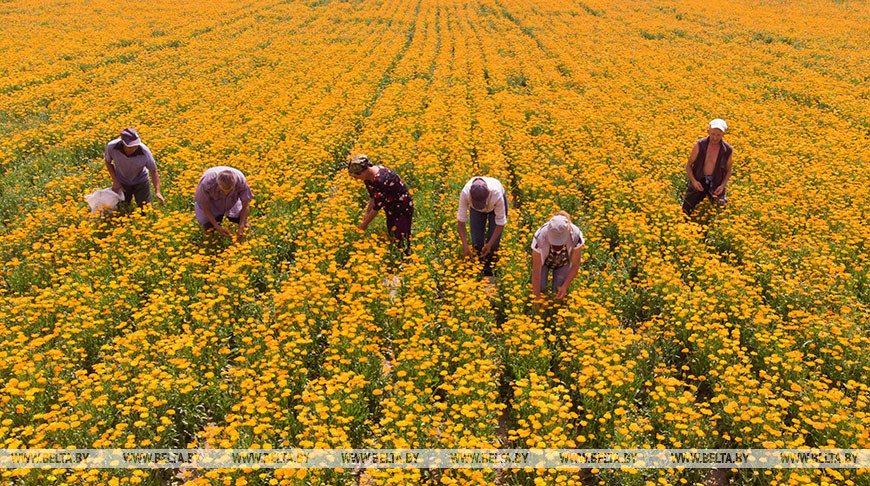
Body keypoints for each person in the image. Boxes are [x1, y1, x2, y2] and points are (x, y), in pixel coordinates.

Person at [348, 154, 414, 255]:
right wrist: (366, 214)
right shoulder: (368, 178)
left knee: (402, 237)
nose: (356, 179)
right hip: (391, 208)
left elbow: (377, 207)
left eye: (357, 176)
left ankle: (407, 260)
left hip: (403, 208)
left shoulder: (380, 180)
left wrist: (364, 224)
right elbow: (373, 197)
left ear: (364, 170)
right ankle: (399, 258)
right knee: (393, 235)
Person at [456, 176, 508, 277]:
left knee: (494, 243)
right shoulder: (465, 193)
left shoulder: (496, 194)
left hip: (494, 206)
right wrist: (465, 246)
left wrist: (489, 244)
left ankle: (490, 268)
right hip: (476, 211)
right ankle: (478, 267)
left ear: (488, 194)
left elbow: (500, 224)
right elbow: (461, 223)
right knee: (476, 241)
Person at [682, 118, 734, 215]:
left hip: (716, 182)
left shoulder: (727, 150)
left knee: (720, 212)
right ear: (708, 131)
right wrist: (694, 182)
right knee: (686, 210)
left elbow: (729, 170)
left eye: (718, 135)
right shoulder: (699, 145)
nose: (715, 137)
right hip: (699, 180)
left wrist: (722, 186)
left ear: (723, 134)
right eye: (713, 134)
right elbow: (689, 165)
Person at [104, 127, 164, 207]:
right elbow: (108, 162)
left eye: (136, 145)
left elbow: (153, 171)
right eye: (131, 146)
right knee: (122, 207)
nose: (134, 148)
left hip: (141, 180)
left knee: (145, 208)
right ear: (123, 143)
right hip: (122, 181)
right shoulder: (112, 147)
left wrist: (157, 192)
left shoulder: (144, 151)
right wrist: (116, 182)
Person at [531, 212, 585, 301]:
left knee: (558, 290)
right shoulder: (539, 238)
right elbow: (536, 270)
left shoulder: (575, 236)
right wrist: (537, 297)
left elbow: (575, 266)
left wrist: (564, 287)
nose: (557, 246)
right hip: (544, 263)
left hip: (563, 263)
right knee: (540, 288)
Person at [194, 166, 253, 242]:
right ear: (217, 183)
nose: (226, 193)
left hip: (233, 200)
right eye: (223, 190)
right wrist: (217, 227)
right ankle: (210, 245)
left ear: (235, 184)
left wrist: (241, 226)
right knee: (209, 230)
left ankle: (248, 242)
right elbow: (206, 207)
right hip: (212, 203)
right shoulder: (206, 184)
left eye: (229, 190)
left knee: (244, 224)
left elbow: (245, 205)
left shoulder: (240, 181)